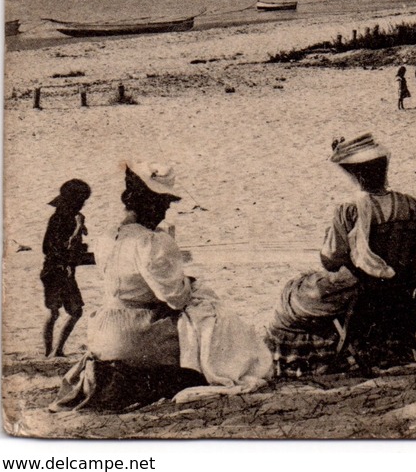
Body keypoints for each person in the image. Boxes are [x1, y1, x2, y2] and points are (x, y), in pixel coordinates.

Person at [52, 164, 268, 410]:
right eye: (163, 206)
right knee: (213, 317)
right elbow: (176, 298)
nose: (164, 214)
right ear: (150, 204)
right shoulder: (151, 241)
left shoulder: (106, 237)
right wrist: (188, 283)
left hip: (103, 330)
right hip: (136, 334)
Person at [320, 134, 416, 369]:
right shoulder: (410, 204)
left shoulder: (349, 208)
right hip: (402, 287)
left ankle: (329, 353)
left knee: (298, 295)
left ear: (356, 174)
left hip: (367, 290)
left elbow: (331, 260)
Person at [41, 179, 91, 357]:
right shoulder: (64, 219)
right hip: (59, 271)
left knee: (54, 311)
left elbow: (51, 247)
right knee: (74, 311)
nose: (83, 204)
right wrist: (78, 228)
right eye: (82, 201)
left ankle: (50, 351)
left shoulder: (58, 218)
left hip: (53, 270)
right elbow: (61, 246)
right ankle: (56, 351)